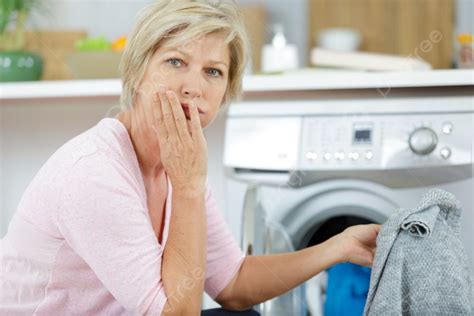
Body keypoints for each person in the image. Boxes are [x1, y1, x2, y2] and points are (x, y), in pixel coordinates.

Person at [0, 1, 381, 315]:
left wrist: (338, 247)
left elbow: (232, 283)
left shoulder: (176, 163)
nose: (193, 88)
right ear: (137, 72)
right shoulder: (94, 173)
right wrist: (188, 186)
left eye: (213, 72)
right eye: (175, 62)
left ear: (225, 92)